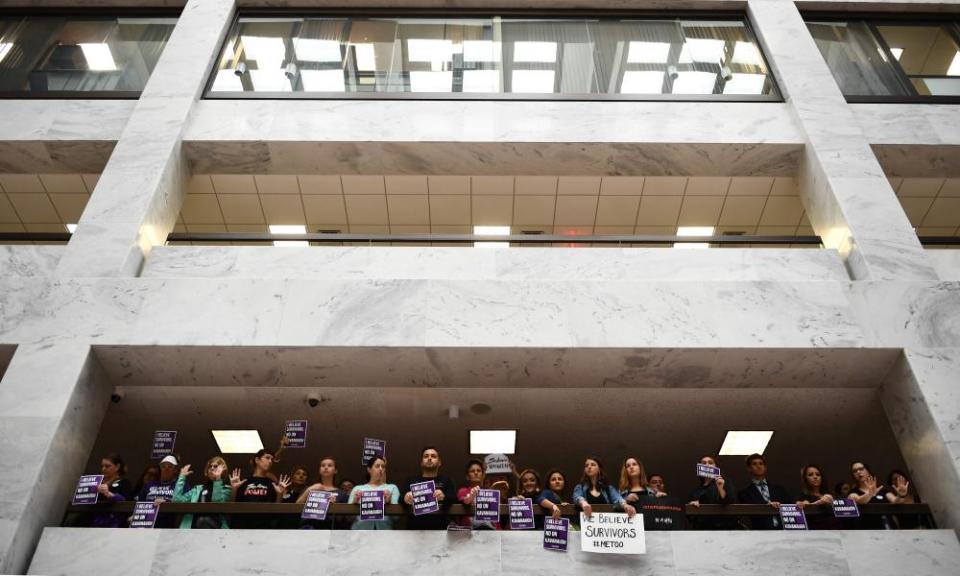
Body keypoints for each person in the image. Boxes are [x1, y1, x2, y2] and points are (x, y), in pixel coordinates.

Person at [230, 449, 291, 529]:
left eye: (271, 459)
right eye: (267, 458)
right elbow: (232, 506)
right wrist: (234, 489)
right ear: (257, 460)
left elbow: (275, 513)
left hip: (263, 527)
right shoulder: (244, 482)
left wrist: (279, 495)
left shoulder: (272, 484)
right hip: (241, 526)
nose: (270, 461)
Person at [402, 447, 457, 529]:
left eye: (433, 456)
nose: (429, 458)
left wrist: (444, 497)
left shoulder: (447, 480)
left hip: (440, 529)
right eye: (426, 456)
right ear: (421, 462)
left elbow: (454, 498)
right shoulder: (411, 480)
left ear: (439, 462)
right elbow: (400, 498)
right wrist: (406, 497)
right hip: (415, 529)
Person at [172, 456, 232, 529]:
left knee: (203, 520)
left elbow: (217, 503)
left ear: (223, 470)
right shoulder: (197, 489)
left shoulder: (226, 489)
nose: (212, 468)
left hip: (216, 531)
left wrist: (218, 479)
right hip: (193, 530)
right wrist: (182, 477)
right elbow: (176, 500)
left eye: (215, 466)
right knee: (201, 520)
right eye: (210, 466)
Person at [737, 453, 791, 529]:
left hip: (784, 530)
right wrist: (767, 505)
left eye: (761, 464)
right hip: (760, 533)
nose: (758, 466)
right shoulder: (744, 493)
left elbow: (791, 506)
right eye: (754, 464)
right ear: (749, 468)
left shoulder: (779, 489)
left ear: (765, 467)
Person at [349, 456, 400, 530]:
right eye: (377, 466)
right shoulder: (357, 489)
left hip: (384, 532)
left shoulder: (392, 488)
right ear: (369, 469)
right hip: (359, 532)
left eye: (383, 466)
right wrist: (355, 503)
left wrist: (388, 504)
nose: (381, 469)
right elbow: (348, 518)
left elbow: (396, 518)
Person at [688, 455, 736, 530]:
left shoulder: (726, 482)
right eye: (704, 463)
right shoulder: (696, 491)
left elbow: (729, 501)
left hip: (723, 528)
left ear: (715, 467)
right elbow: (690, 517)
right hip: (703, 529)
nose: (707, 465)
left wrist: (720, 488)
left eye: (710, 463)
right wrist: (692, 506)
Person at [136, 455, 182, 528]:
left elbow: (184, 501)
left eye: (170, 467)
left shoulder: (180, 485)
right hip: (147, 524)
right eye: (163, 466)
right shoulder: (149, 485)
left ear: (175, 470)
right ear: (160, 468)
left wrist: (167, 502)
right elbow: (140, 503)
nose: (166, 469)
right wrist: (135, 516)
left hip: (170, 526)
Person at [297, 457, 341, 529]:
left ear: (335, 470)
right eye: (323, 465)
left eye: (329, 465)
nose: (326, 467)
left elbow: (343, 519)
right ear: (319, 470)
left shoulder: (341, 493)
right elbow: (296, 506)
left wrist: (334, 507)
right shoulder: (309, 488)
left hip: (329, 530)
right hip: (307, 529)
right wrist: (309, 490)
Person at [93, 453, 133, 528]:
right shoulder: (97, 482)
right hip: (93, 522)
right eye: (102, 466)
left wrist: (108, 493)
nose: (103, 469)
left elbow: (124, 501)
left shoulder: (124, 483)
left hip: (112, 524)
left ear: (117, 467)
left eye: (107, 466)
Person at [457, 459, 497, 530]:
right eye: (472, 471)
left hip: (490, 533)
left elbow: (496, 520)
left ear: (483, 475)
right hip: (468, 534)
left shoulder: (490, 494)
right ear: (467, 476)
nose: (476, 473)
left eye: (479, 471)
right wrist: (471, 496)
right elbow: (466, 501)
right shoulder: (462, 491)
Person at [796, 464, 840, 530]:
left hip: (835, 530)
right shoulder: (803, 496)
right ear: (805, 479)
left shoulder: (829, 494)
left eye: (818, 474)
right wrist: (819, 502)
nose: (815, 477)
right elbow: (804, 506)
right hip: (815, 532)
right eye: (810, 475)